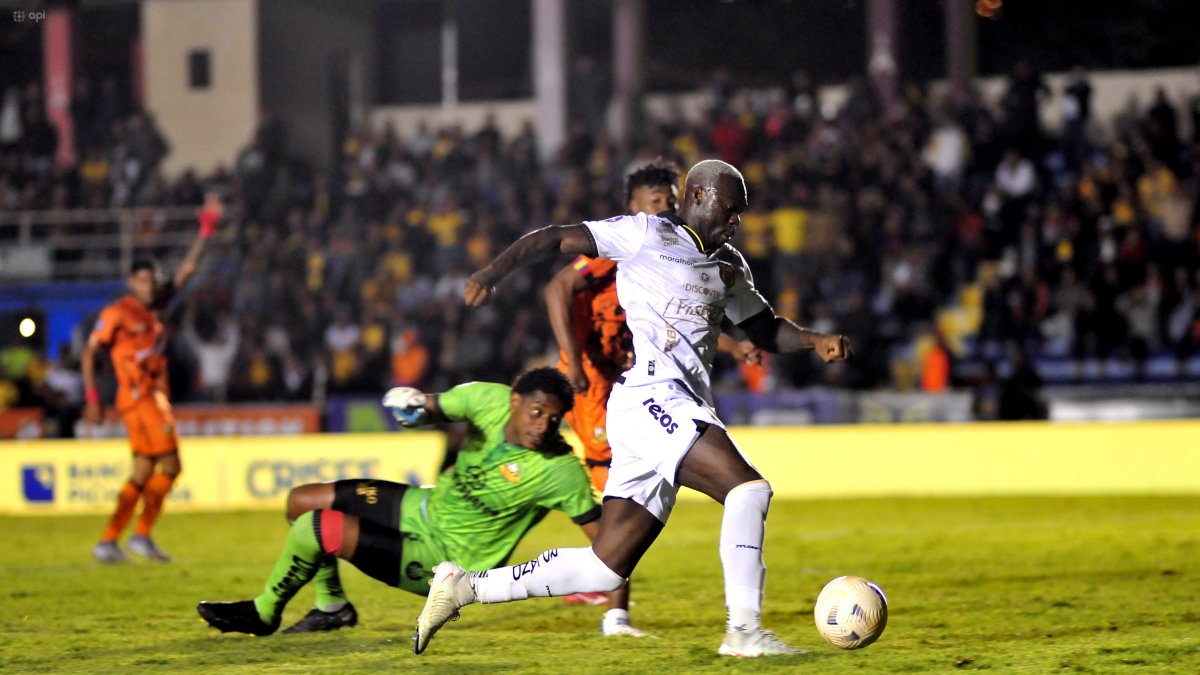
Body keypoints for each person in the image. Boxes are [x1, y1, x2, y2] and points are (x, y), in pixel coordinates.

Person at [412, 159, 850, 657]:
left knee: (605, 566)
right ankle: (744, 632)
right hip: (652, 398)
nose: (736, 221)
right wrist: (495, 271)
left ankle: (464, 587)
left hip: (666, 407)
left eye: (742, 213)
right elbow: (556, 238)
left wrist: (814, 340)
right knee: (747, 490)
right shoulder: (643, 234)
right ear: (701, 196)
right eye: (731, 209)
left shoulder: (730, 265)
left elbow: (765, 328)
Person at [195, 367, 602, 636]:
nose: (545, 424)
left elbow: (608, 548)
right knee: (301, 501)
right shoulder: (488, 399)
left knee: (315, 527)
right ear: (515, 402)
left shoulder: (560, 470)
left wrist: (617, 615)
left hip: (446, 559)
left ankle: (264, 612)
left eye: (555, 418)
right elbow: (429, 407)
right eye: (537, 412)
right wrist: (412, 411)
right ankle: (332, 606)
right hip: (423, 506)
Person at [544, 159, 758, 634]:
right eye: (657, 201)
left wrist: (736, 341)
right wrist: (573, 361)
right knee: (604, 494)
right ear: (635, 207)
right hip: (600, 385)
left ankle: (610, 600)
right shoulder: (623, 245)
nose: (666, 206)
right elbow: (557, 286)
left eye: (669, 198)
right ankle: (606, 597)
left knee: (617, 506)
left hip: (639, 379)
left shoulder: (677, 252)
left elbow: (683, 321)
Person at [83, 194, 223, 563]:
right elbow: (89, 352)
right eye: (143, 279)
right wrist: (93, 398)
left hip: (150, 397)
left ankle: (109, 540)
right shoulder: (117, 313)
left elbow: (188, 270)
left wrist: (206, 230)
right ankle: (141, 535)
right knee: (172, 466)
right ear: (131, 281)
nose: (150, 285)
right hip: (140, 398)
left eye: (153, 279)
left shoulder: (159, 305)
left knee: (143, 472)